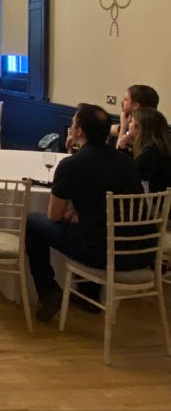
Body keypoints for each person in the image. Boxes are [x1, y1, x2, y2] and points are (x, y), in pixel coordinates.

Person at [25, 104, 146, 322]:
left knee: (33, 222)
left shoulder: (72, 165)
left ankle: (48, 291)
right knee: (87, 227)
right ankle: (88, 294)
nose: (71, 126)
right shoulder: (125, 162)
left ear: (79, 131)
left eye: (73, 123)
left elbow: (54, 215)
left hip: (100, 252)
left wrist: (74, 214)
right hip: (138, 251)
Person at [128, 107, 171, 193]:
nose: (129, 124)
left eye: (131, 121)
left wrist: (122, 149)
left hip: (150, 203)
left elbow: (129, 175)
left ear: (139, 127)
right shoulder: (162, 147)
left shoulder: (149, 153)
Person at [113, 84, 160, 151]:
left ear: (136, 106)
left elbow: (118, 158)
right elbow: (111, 129)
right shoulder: (131, 122)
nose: (121, 102)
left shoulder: (141, 131)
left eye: (126, 99)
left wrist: (123, 127)